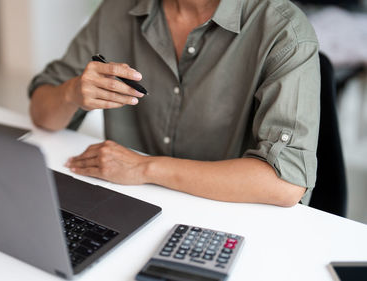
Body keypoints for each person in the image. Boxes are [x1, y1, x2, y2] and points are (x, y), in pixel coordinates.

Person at [28, 0, 320, 207]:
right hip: (132, 204)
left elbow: (284, 183)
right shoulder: (116, 9)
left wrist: (145, 168)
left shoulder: (285, 32)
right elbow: (42, 115)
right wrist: (71, 92)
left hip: (230, 217)